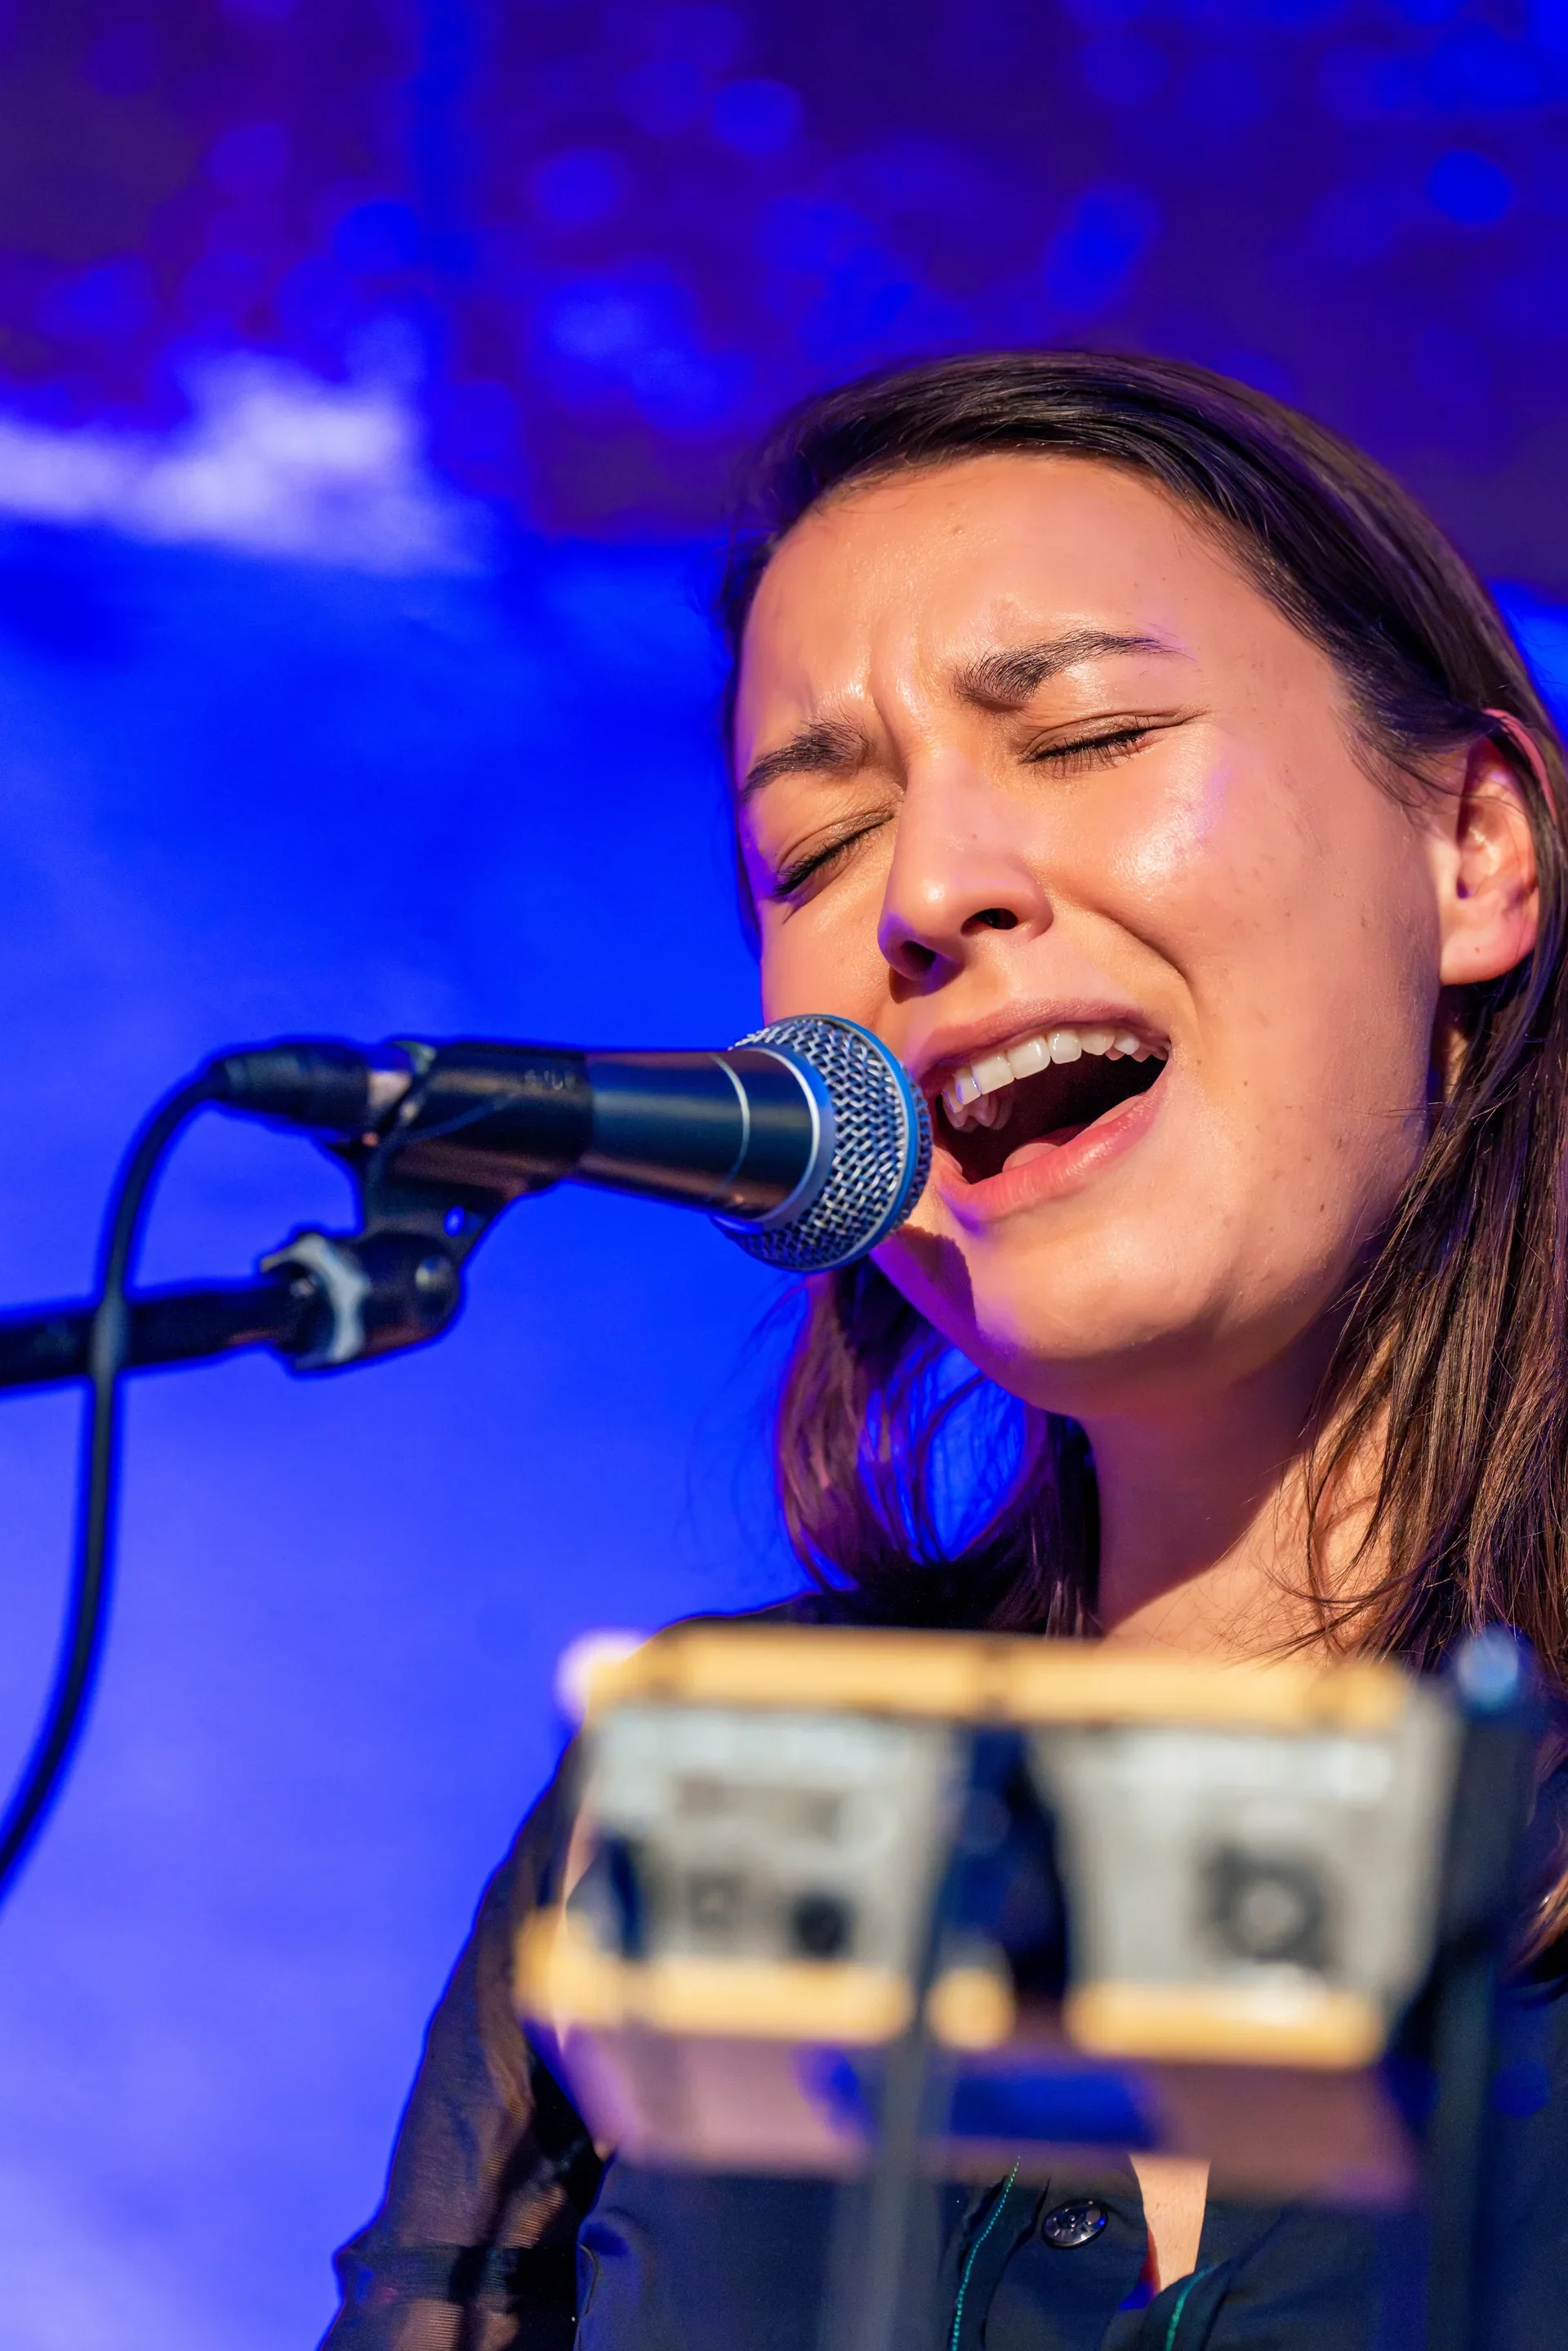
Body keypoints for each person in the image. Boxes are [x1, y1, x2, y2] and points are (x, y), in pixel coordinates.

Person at [317, 353, 1568, 2350]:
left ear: (1476, 848)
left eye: (1087, 730)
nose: (920, 895)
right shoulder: (715, 1806)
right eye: (813, 853)